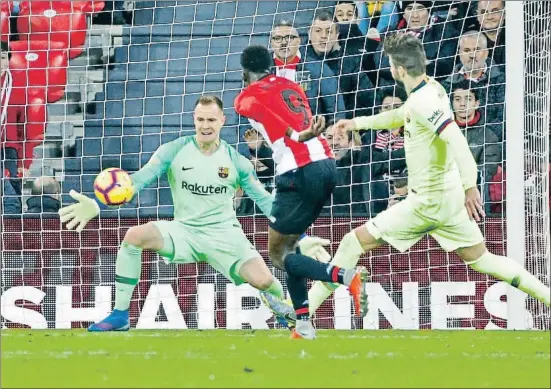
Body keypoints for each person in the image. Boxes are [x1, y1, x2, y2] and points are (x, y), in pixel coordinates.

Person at [307, 33, 550, 315]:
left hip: (427, 203)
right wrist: (356, 123)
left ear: (396, 69)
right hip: (448, 199)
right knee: (482, 259)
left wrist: (471, 186)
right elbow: (401, 115)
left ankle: (300, 311)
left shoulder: (425, 102)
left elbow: (457, 141)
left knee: (352, 242)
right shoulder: (430, 89)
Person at [58, 95, 332, 332]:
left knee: (265, 281)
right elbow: (137, 180)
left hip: (225, 236)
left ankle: (284, 310)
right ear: (194, 119)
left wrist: (301, 236)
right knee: (134, 236)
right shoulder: (174, 150)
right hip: (184, 231)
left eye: (211, 120)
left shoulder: (237, 163)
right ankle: (119, 315)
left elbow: (266, 202)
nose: (205, 126)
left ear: (222, 121)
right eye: (200, 119)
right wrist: (96, 204)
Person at [234, 45, 369, 340]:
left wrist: (295, 136)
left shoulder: (246, 97)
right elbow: (287, 116)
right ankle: (303, 324)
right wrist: (299, 134)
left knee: (278, 254)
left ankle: (346, 276)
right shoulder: (291, 84)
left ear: (244, 71)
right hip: (326, 165)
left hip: (298, 171)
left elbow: (266, 114)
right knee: (290, 247)